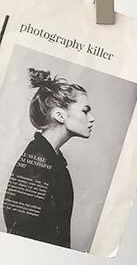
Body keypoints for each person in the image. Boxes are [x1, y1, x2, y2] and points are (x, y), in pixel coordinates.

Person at [3, 71, 93, 248]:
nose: (92, 118)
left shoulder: (51, 160)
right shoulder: (37, 163)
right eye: (85, 111)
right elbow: (20, 234)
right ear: (60, 116)